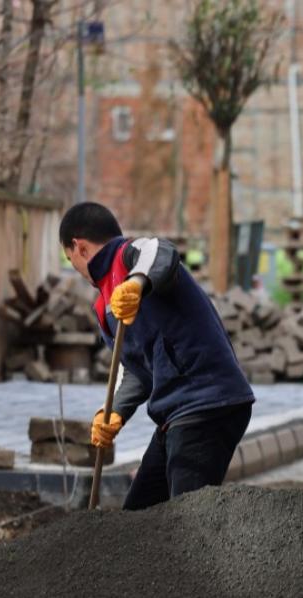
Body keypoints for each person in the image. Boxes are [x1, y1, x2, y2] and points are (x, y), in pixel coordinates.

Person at [58, 202, 255, 510]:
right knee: (138, 517)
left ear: (79, 247)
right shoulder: (104, 307)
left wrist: (137, 283)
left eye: (72, 261)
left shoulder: (132, 256)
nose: (79, 271)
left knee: (187, 519)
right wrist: (115, 411)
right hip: (174, 415)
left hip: (207, 403)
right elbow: (137, 370)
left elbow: (162, 252)